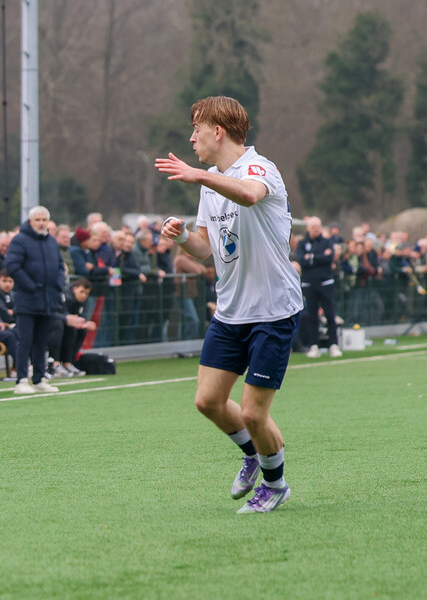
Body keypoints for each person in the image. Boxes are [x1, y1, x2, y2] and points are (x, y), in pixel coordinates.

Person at [155, 96, 303, 514]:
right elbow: (205, 248)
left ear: (217, 131)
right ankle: (254, 455)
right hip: (230, 313)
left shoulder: (259, 168)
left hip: (273, 312)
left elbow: (251, 196)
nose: (191, 139)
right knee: (207, 401)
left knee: (254, 415)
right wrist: (183, 236)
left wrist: (199, 175)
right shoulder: (212, 182)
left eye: (196, 129)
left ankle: (275, 485)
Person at [5, 206, 65, 394]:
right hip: (27, 300)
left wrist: (58, 285)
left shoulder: (51, 242)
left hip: (47, 299)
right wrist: (30, 285)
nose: (41, 223)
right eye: (37, 220)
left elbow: (60, 265)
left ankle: (39, 378)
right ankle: (22, 379)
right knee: (25, 340)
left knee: (41, 341)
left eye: (44, 220)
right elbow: (12, 266)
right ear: (31, 221)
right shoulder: (20, 240)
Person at [297, 216, 342, 358]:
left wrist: (311, 257)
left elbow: (328, 258)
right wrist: (319, 256)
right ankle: (314, 345)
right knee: (312, 315)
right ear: (308, 228)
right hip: (309, 283)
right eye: (313, 227)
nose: (316, 229)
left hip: (325, 282)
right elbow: (301, 260)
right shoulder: (302, 243)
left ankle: (333, 344)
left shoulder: (327, 242)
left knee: (330, 314)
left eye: (318, 226)